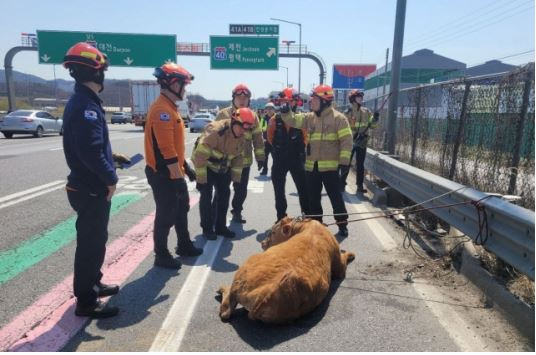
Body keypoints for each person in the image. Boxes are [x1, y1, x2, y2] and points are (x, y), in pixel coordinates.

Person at [62, 42, 120, 318]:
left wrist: (113, 157)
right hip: (91, 188)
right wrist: (110, 178)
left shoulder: (84, 101)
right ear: (96, 73)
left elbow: (91, 146)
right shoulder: (86, 105)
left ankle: (93, 283)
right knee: (90, 243)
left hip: (88, 186)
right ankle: (86, 300)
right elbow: (90, 150)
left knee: (96, 240)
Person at [144, 62, 202, 270]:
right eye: (183, 85)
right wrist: (178, 180)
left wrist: (185, 168)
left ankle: (184, 244)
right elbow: (166, 151)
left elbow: (175, 149)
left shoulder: (170, 108)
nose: (185, 89)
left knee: (181, 209)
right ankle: (161, 254)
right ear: (172, 84)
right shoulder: (162, 110)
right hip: (163, 174)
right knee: (166, 213)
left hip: (173, 171)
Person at [280, 84, 353, 237]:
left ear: (325, 100)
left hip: (331, 168)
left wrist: (344, 163)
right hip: (311, 167)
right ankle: (316, 227)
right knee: (313, 200)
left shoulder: (339, 119)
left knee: (336, 199)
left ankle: (342, 225)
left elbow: (347, 141)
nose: (311, 102)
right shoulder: (310, 118)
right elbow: (294, 120)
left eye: (314, 99)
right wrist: (286, 112)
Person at [192, 108, 256, 240]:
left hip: (222, 168)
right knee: (206, 196)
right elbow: (200, 155)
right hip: (206, 166)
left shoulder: (241, 136)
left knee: (224, 196)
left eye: (247, 129)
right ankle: (207, 228)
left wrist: (236, 178)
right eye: (242, 128)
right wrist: (201, 179)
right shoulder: (216, 131)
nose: (244, 131)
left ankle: (220, 227)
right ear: (234, 122)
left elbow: (238, 158)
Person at [214, 84, 264, 224]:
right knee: (221, 191)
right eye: (238, 97)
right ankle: (215, 216)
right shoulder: (223, 115)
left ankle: (237, 211)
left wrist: (261, 158)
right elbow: (213, 137)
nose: (242, 100)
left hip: (244, 161)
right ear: (233, 98)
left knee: (241, 191)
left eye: (245, 97)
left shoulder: (253, 116)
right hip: (224, 161)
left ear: (249, 100)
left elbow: (258, 138)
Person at [267, 88, 309, 222]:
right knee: (279, 192)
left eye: (290, 101)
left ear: (296, 102)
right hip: (279, 160)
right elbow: (270, 137)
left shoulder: (301, 119)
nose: (287, 104)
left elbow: (306, 138)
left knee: (303, 190)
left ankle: (306, 217)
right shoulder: (274, 120)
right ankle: (281, 218)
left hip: (297, 159)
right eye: (284, 101)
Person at [341, 89, 379, 193]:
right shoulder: (347, 112)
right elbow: (342, 127)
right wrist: (352, 135)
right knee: (346, 163)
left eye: (361, 97)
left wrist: (375, 119)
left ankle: (359, 186)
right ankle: (341, 184)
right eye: (358, 97)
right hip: (350, 142)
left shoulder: (366, 111)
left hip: (362, 142)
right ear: (353, 99)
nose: (361, 99)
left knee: (360, 164)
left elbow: (373, 126)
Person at [260, 102, 276, 175]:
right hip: (265, 142)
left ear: (274, 110)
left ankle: (274, 171)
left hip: (274, 142)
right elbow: (260, 129)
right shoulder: (263, 119)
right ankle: (265, 170)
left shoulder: (277, 118)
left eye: (271, 109)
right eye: (267, 109)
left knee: (275, 158)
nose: (269, 110)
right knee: (265, 158)